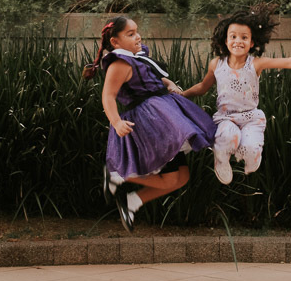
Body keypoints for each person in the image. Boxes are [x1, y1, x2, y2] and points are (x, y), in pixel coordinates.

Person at [83, 16, 216, 231]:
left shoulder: (138, 56)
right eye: (130, 34)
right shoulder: (119, 63)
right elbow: (108, 96)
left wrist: (169, 83)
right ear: (115, 42)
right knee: (173, 177)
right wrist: (116, 122)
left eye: (137, 31)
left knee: (181, 177)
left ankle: (131, 201)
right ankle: (117, 174)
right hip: (150, 124)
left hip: (165, 119)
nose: (137, 36)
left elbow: (152, 77)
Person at [181, 5, 291, 184]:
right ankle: (221, 159)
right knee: (228, 136)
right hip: (226, 119)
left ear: (252, 42)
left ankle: (250, 155)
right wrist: (182, 95)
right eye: (233, 36)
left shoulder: (255, 64)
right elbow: (202, 87)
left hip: (250, 118)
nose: (238, 41)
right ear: (225, 40)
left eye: (244, 37)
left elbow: (288, 62)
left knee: (251, 150)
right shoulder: (216, 64)